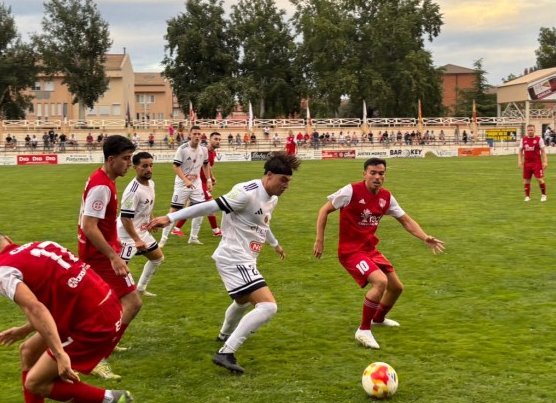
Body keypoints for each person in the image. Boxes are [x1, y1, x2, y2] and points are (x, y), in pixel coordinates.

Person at [0, 230, 132, 403]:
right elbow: (60, 293)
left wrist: (60, 353)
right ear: (9, 239)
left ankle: (112, 400)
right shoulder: (43, 244)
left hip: (91, 324)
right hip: (106, 304)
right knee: (28, 351)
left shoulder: (0, 272)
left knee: (36, 383)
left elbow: (35, 308)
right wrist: (25, 330)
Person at [146, 152, 301, 374]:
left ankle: (224, 335)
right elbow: (208, 206)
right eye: (283, 180)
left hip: (245, 258)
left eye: (289, 181)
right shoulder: (245, 193)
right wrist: (169, 218)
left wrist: (275, 244)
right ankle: (226, 352)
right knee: (268, 306)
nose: (286, 186)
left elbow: (263, 224)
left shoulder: (273, 199)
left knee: (242, 302)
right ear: (268, 175)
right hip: (234, 258)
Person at [313, 158, 445, 349]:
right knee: (380, 282)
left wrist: (425, 237)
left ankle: (378, 319)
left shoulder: (386, 197)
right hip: (351, 252)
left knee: (396, 287)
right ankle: (363, 330)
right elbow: (324, 210)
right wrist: (320, 240)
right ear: (364, 174)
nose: (377, 177)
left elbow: (406, 220)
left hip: (369, 250)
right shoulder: (351, 191)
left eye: (381, 173)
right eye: (373, 173)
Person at [78, 134, 141, 379]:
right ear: (111, 159)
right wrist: (113, 257)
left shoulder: (103, 178)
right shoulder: (102, 186)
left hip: (99, 252)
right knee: (132, 302)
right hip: (100, 256)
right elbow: (89, 226)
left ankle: (103, 346)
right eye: (126, 159)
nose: (129, 163)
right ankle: (97, 356)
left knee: (107, 304)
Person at [117, 152, 165, 297]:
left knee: (157, 258)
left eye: (151, 165)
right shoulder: (133, 191)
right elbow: (125, 218)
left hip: (141, 232)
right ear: (135, 167)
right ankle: (105, 296)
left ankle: (140, 289)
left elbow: (147, 205)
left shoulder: (151, 184)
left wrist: (151, 219)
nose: (149, 169)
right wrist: (137, 239)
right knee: (119, 270)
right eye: (144, 166)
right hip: (127, 235)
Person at [158, 125, 208, 246]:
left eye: (198, 134)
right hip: (182, 184)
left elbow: (206, 165)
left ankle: (193, 237)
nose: (197, 136)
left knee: (200, 210)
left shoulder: (204, 150)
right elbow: (175, 166)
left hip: (196, 184)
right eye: (194, 134)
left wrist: (209, 179)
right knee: (174, 211)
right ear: (189, 135)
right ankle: (163, 239)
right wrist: (185, 180)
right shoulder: (182, 149)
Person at [518, 123, 548, 202]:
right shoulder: (523, 140)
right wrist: (520, 161)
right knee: (526, 180)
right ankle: (527, 196)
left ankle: (543, 195)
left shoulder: (539, 139)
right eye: (528, 130)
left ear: (534, 130)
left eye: (531, 130)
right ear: (527, 131)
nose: (530, 131)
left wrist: (545, 162)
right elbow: (520, 151)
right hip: (527, 163)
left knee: (540, 179)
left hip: (536, 163)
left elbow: (543, 151)